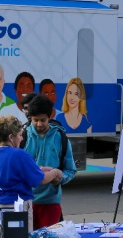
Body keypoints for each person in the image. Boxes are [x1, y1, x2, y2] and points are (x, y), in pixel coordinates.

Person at [0, 115, 62, 237]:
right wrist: (55, 172)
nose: (21, 139)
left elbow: (9, 173)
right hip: (13, 207)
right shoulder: (19, 154)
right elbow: (41, 180)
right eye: (20, 135)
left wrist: (39, 169)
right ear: (11, 137)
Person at [23, 95, 77, 229]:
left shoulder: (61, 138)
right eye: (35, 120)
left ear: (50, 116)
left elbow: (70, 169)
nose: (39, 124)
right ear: (30, 118)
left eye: (43, 120)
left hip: (51, 202)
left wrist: (59, 177)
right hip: (25, 201)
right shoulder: (22, 136)